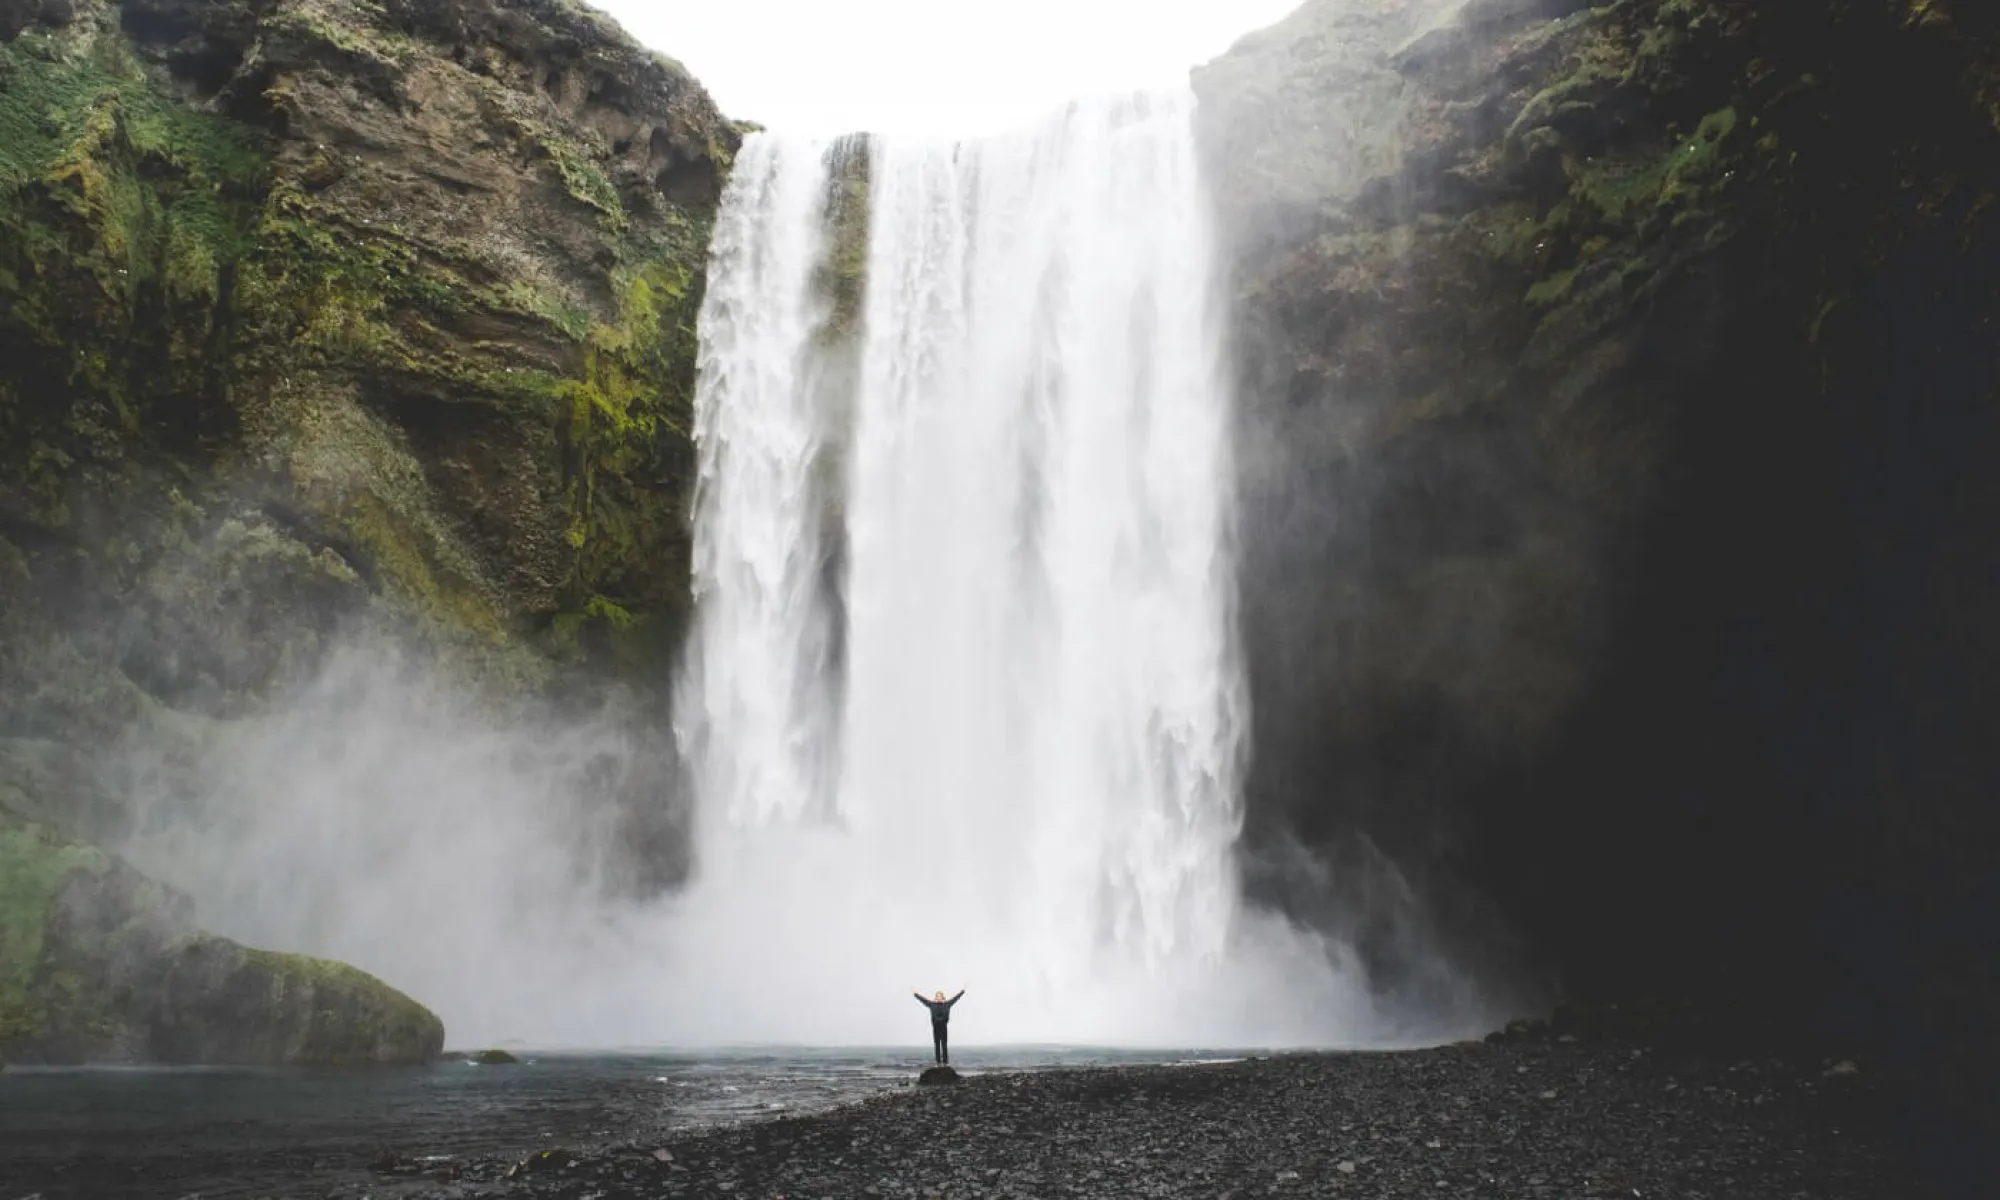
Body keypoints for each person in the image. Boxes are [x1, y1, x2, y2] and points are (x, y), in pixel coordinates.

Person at [912, 988, 965, 1064]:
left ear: (943, 997)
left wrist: (962, 991)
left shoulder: (947, 1004)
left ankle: (945, 1063)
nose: (939, 997)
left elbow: (955, 998)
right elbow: (923, 1000)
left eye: (940, 996)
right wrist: (915, 994)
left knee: (944, 1045)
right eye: (937, 996)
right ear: (935, 997)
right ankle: (938, 1062)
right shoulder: (931, 1004)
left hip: (943, 1027)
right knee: (937, 1045)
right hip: (936, 1028)